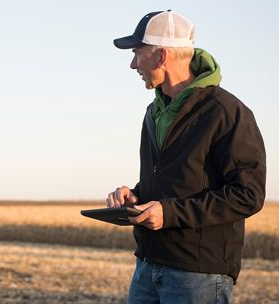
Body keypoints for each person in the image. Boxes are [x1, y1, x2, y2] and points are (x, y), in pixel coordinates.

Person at [106, 10, 266, 304]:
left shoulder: (226, 112)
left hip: (198, 275)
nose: (132, 64)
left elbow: (248, 194)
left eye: (136, 53)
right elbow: (171, 181)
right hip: (147, 264)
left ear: (161, 56)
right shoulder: (153, 113)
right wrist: (135, 196)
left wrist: (169, 214)